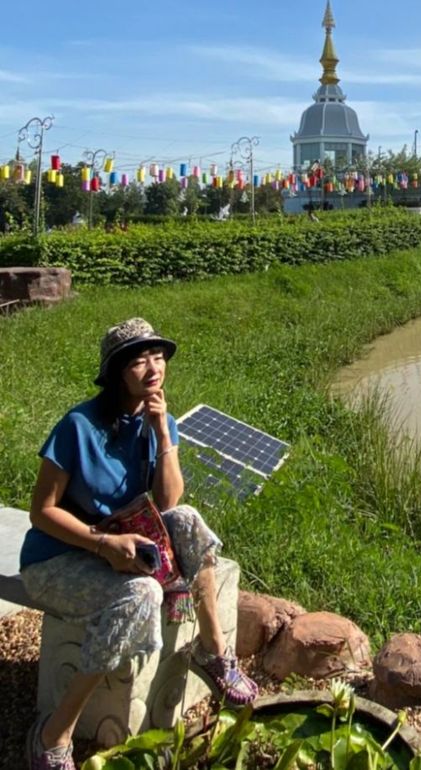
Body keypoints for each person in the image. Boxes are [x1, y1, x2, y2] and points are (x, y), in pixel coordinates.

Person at [20, 318, 258, 770]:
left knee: (187, 518)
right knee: (143, 594)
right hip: (58, 559)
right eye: (139, 361)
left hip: (121, 549)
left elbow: (169, 502)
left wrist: (163, 434)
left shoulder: (157, 420)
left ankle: (212, 652)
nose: (153, 368)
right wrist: (103, 543)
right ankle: (53, 734)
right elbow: (41, 511)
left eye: (158, 357)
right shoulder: (78, 426)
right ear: (116, 373)